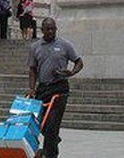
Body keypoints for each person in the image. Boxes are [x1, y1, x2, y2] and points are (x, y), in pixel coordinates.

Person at [27, 18, 83, 158]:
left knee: (52, 124)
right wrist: (31, 89)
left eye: (53, 29)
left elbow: (79, 62)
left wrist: (72, 72)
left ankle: (49, 154)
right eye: (48, 29)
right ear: (42, 30)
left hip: (59, 89)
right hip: (43, 89)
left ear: (56, 29)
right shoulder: (35, 47)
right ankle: (54, 140)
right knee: (41, 123)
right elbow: (32, 69)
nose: (51, 31)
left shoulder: (65, 45)